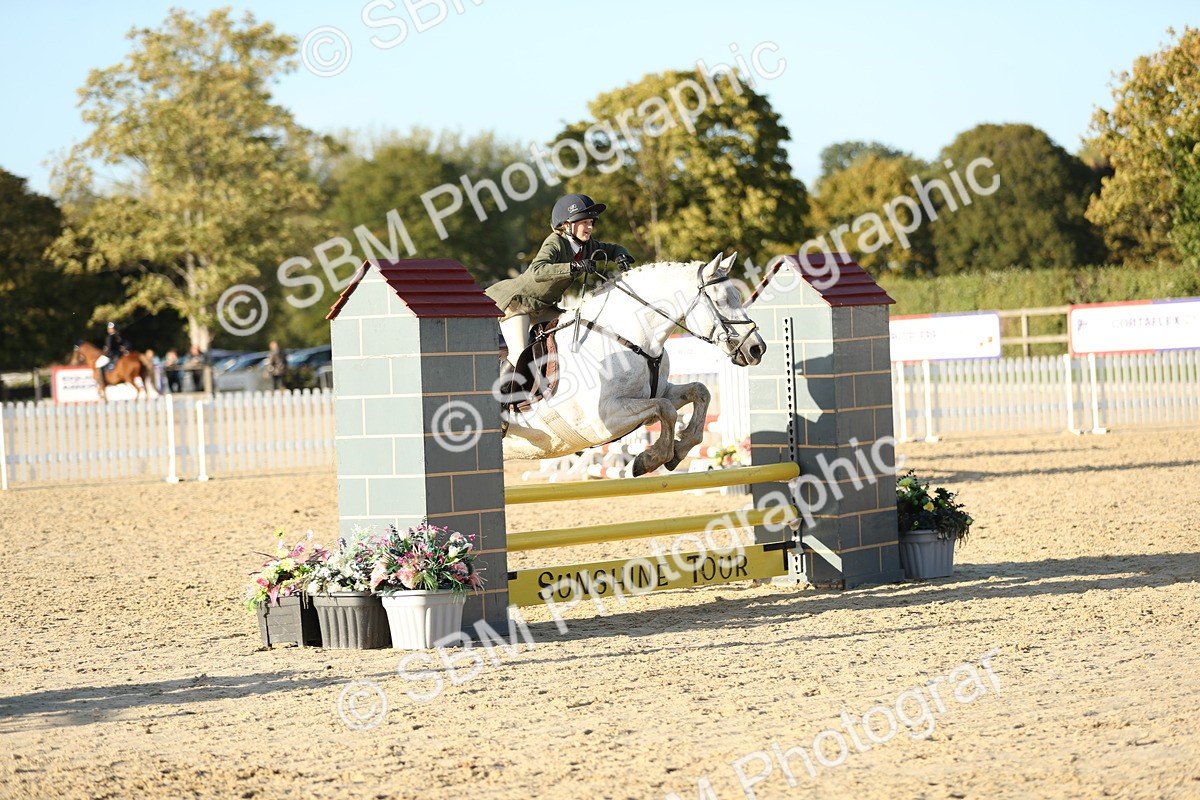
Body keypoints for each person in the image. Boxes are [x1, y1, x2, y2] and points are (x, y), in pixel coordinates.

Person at [485, 193, 635, 368]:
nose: (590, 227)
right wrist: (574, 266)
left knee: (575, 326)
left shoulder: (587, 245)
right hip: (518, 304)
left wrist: (622, 256)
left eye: (591, 222)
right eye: (584, 222)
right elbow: (537, 271)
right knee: (519, 354)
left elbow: (613, 248)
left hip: (543, 307)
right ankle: (501, 394)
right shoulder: (554, 242)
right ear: (566, 225)